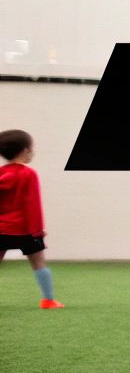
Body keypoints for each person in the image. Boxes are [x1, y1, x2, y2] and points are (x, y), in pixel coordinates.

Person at [0, 130, 61, 309]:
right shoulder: (28, 174)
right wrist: (38, 231)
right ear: (26, 151)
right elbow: (32, 205)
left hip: (1, 229)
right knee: (38, 264)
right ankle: (48, 300)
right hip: (26, 230)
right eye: (32, 149)